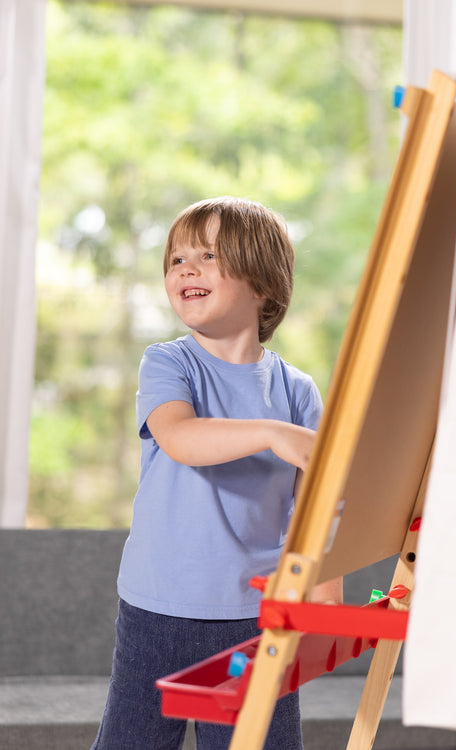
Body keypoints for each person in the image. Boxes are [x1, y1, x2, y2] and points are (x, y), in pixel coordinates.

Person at [92, 196, 342, 750]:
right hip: (159, 605)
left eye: (208, 255)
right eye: (177, 259)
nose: (186, 268)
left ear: (262, 285)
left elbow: (319, 503)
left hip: (259, 616)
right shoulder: (168, 363)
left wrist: (325, 592)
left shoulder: (298, 391)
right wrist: (272, 433)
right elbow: (180, 439)